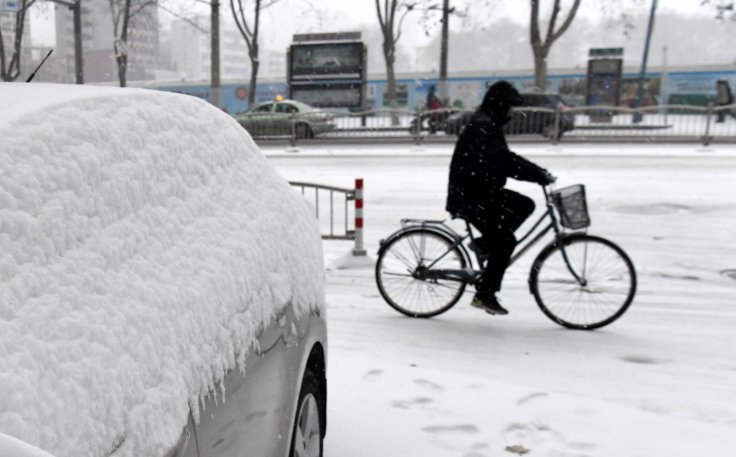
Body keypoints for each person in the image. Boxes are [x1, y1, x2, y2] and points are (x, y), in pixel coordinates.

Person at [445, 81, 555, 315]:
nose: (512, 112)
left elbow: (506, 158)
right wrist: (537, 175)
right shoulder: (483, 127)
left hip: (481, 192)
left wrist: (537, 172)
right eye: (510, 107)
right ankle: (485, 294)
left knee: (525, 204)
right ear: (501, 105)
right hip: (470, 197)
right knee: (505, 243)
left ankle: (484, 244)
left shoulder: (488, 123)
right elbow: (504, 162)